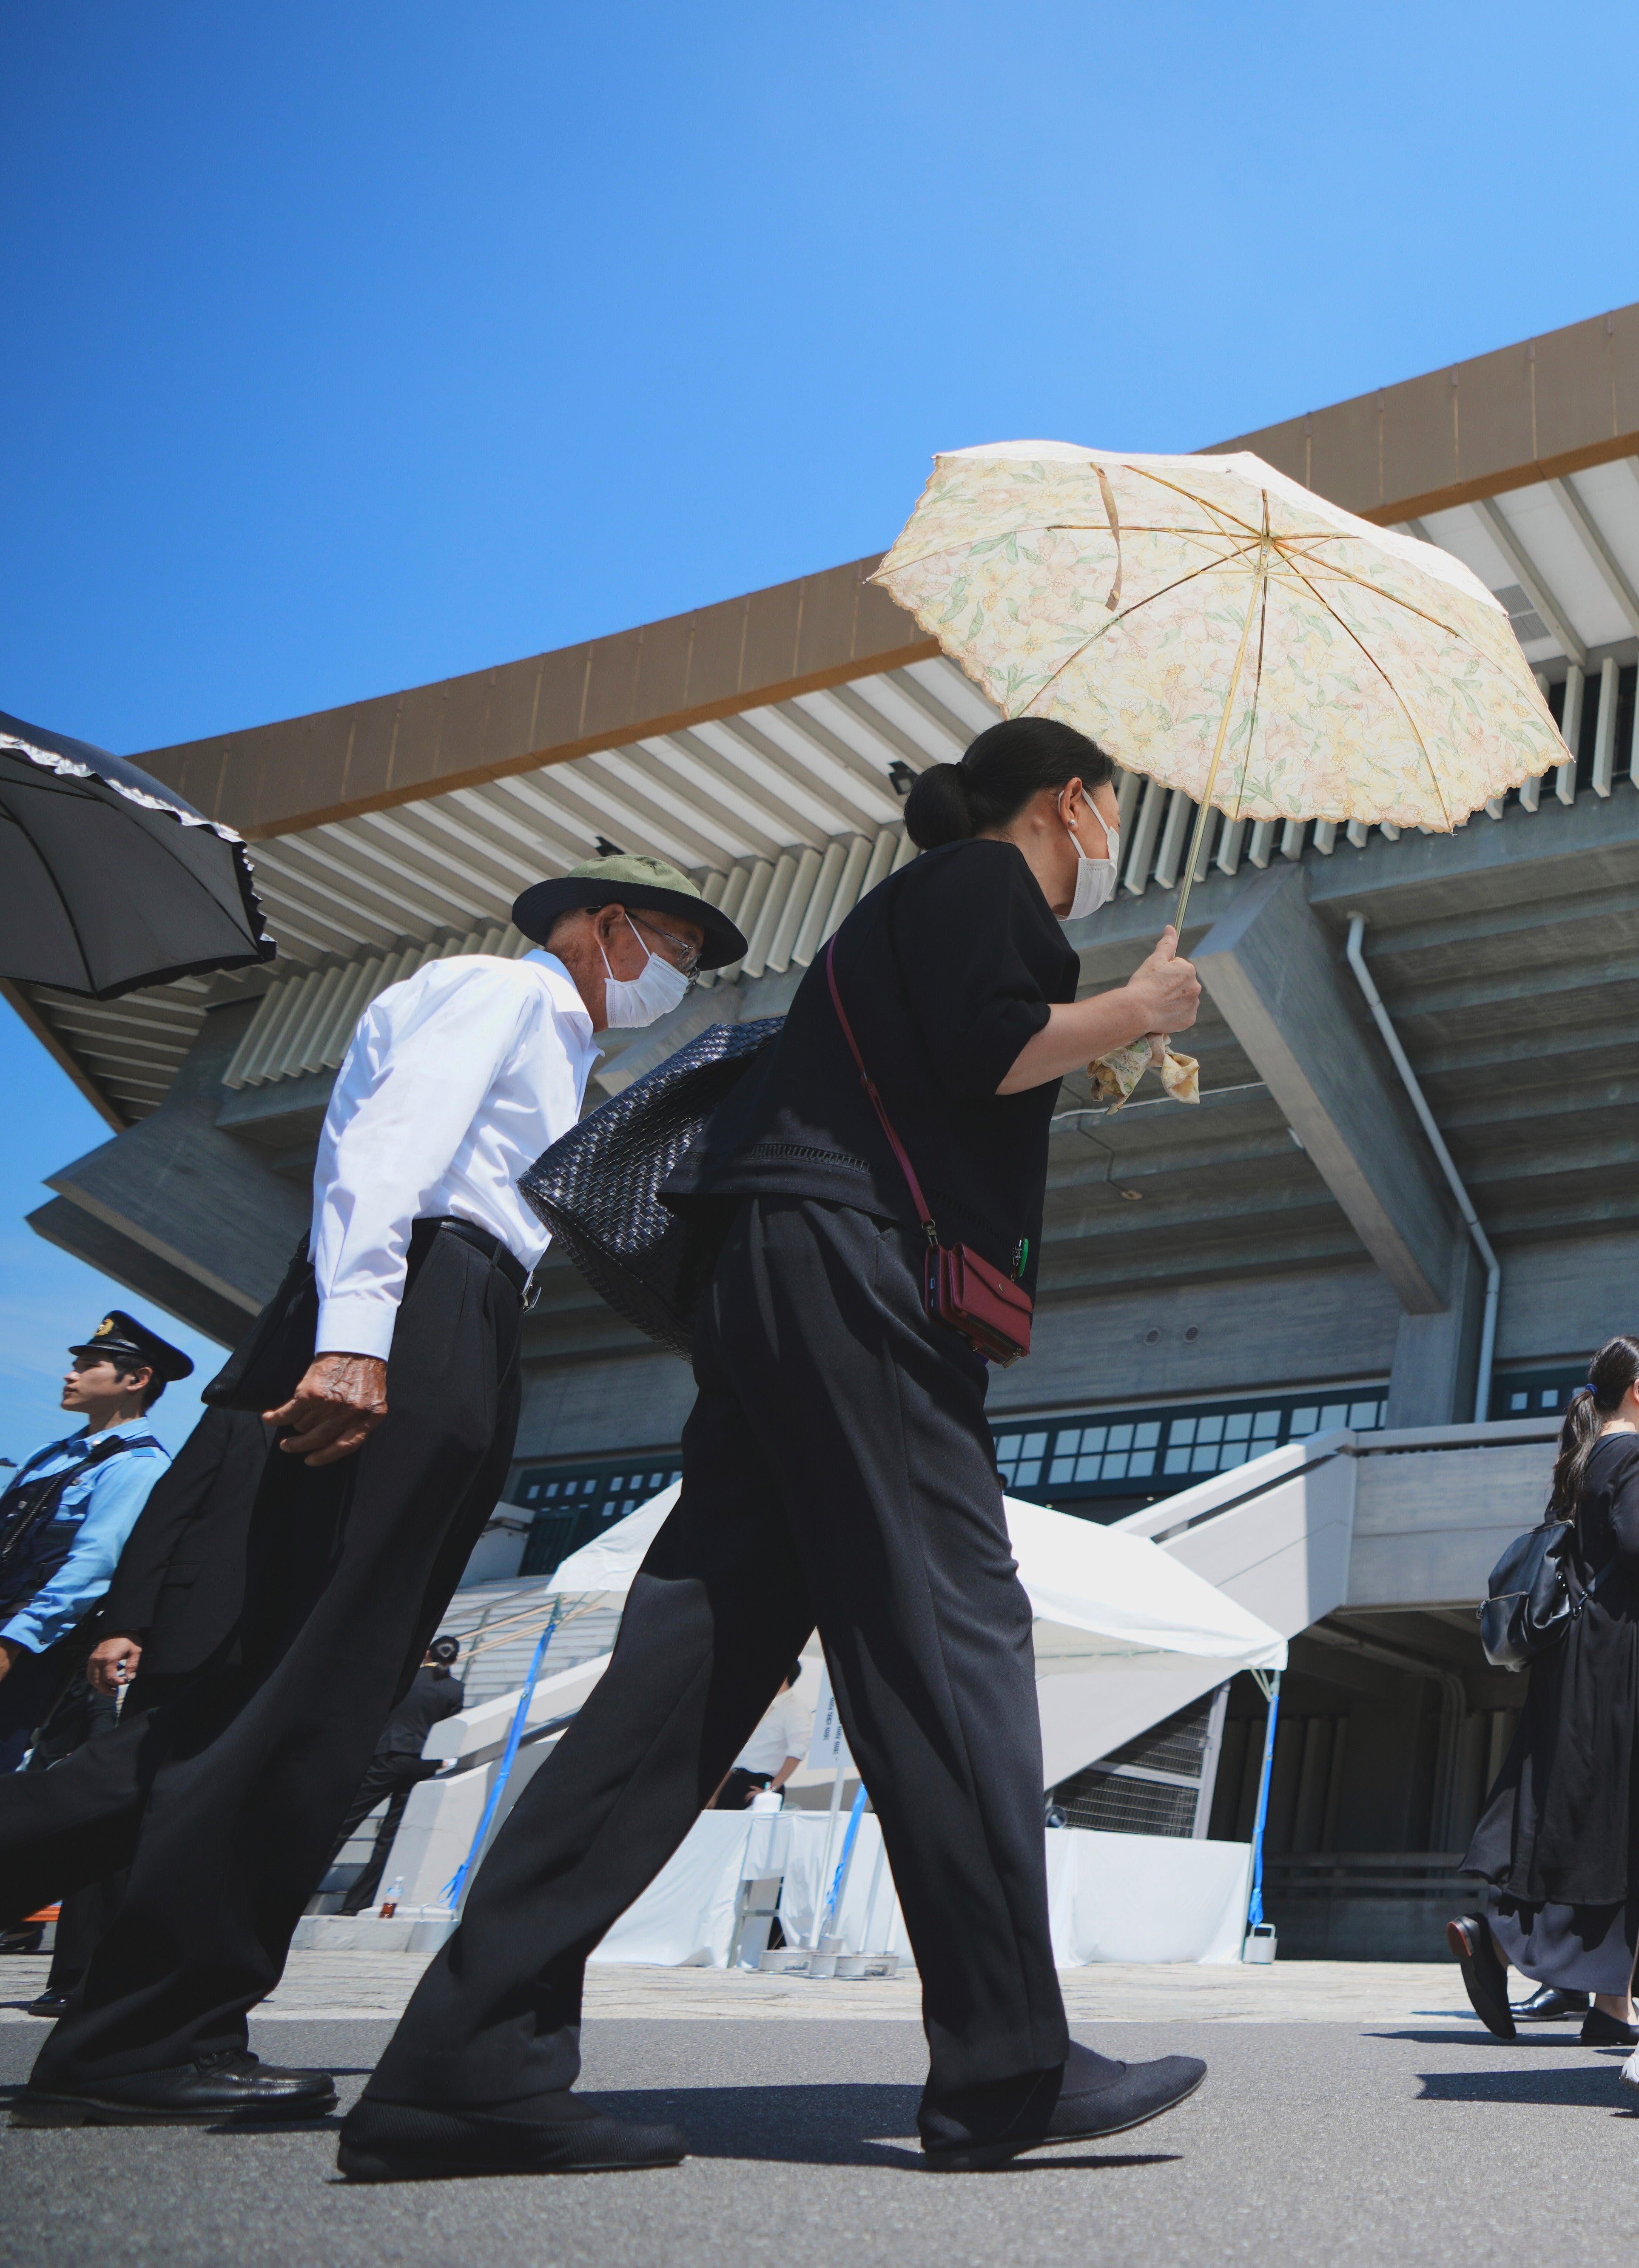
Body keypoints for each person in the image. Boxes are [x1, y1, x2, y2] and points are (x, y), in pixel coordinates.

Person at [344, 716, 1212, 2178]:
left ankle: (465, 2060)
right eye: (1110, 805)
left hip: (781, 1269)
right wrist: (1142, 1006)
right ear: (1070, 799)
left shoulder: (918, 911)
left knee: (693, 1664)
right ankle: (1010, 2061)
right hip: (858, 1271)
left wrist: (1103, 1037)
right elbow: (996, 1050)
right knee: (952, 1632)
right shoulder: (984, 883)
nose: (1113, 830)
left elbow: (962, 1070)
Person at [7, 854, 734, 2134]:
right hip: (417, 1304)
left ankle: (147, 2020)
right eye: (669, 941)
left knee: (287, 1690)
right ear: (603, 925)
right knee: (308, 1689)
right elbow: (389, 1150)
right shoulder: (500, 994)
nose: (674, 976)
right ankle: (150, 2029)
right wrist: (358, 1331)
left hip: (464, 1317)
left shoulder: (563, 1046)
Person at [1456, 1336, 1639, 2050]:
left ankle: (1612, 2003)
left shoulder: (1586, 1454)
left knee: (1592, 1814)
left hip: (1577, 1655)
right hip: (1619, 1655)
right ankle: (1503, 1940)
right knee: (1629, 1816)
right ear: (1637, 1388)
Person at [0, 1317, 183, 1767]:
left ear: (137, 1379)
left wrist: (14, 1641)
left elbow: (92, 1565)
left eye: (88, 1365)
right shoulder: (48, 1453)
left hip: (31, 1643)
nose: (70, 1373)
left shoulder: (139, 1465)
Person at [334, 1635, 465, 1911]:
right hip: (423, 1765)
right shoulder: (455, 1690)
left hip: (388, 1755)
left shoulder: (406, 1680)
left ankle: (297, 1889)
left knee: (344, 1822)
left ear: (427, 1653)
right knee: (390, 1838)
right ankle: (355, 1903)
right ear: (454, 1660)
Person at [714, 1664, 813, 1811]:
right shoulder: (759, 1704)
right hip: (734, 1781)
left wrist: (771, 1790)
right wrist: (716, 1794)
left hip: (760, 1784)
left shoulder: (795, 1708)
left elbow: (798, 1751)